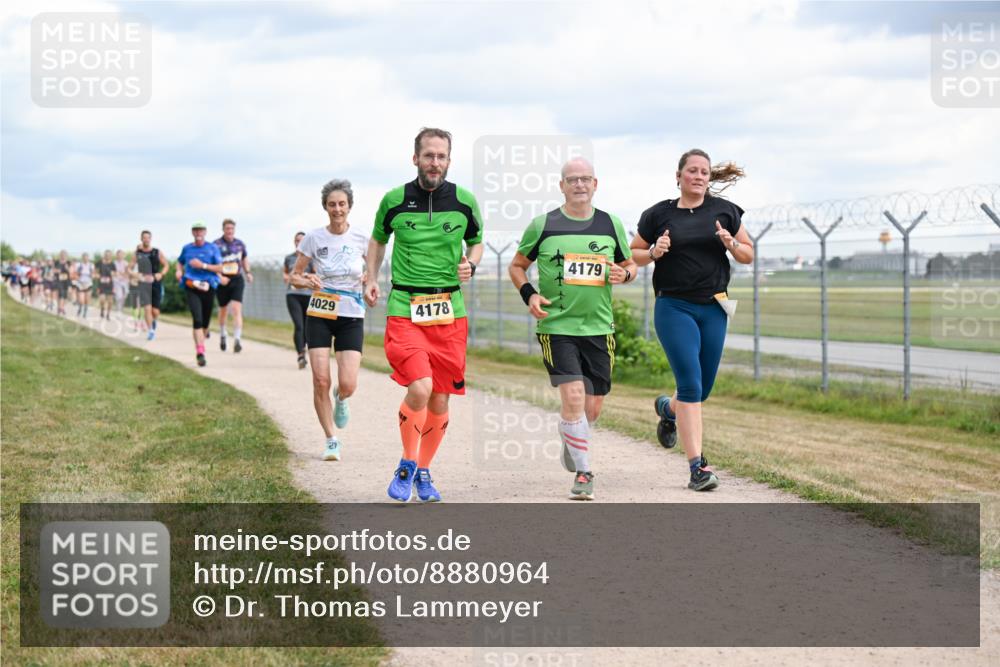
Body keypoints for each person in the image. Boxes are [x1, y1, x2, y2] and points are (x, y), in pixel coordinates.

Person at [365, 127, 484, 503]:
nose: (435, 163)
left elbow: (477, 241)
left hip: (450, 311)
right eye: (429, 155)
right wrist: (370, 277)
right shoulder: (394, 200)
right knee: (420, 387)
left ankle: (424, 471)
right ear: (415, 157)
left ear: (450, 160)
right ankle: (407, 463)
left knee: (441, 398)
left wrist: (472, 264)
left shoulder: (465, 201)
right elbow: (378, 240)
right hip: (406, 307)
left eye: (442, 156)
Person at [508, 158, 637, 501]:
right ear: (561, 186)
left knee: (591, 408)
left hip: (598, 326)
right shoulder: (543, 225)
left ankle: (573, 433)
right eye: (572, 180)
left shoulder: (611, 224)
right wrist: (530, 294)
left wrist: (625, 274)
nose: (579, 184)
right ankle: (584, 472)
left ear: (596, 184)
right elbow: (518, 266)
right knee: (574, 397)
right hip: (557, 326)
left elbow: (630, 264)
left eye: (585, 179)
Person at [629, 148, 751, 491]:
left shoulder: (725, 212)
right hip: (674, 307)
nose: (698, 176)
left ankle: (668, 410)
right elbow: (632, 254)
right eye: (693, 171)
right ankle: (698, 468)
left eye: (704, 172)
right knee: (691, 386)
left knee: (702, 390)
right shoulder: (659, 214)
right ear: (679, 175)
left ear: (709, 179)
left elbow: (748, 254)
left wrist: (730, 243)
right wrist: (654, 252)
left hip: (713, 306)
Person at [292, 181, 369, 461]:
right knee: (320, 379)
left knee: (348, 383)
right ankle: (331, 439)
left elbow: (372, 273)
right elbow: (294, 276)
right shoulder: (313, 238)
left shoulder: (362, 237)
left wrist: (369, 280)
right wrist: (306, 279)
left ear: (349, 206)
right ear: (325, 207)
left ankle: (342, 397)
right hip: (321, 313)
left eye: (342, 204)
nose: (337, 209)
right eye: (332, 204)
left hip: (351, 315)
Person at [175, 222, 225, 367]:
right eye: (196, 230)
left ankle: (204, 334)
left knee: (205, 322)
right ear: (192, 232)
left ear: (205, 232)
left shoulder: (212, 248)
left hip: (208, 286)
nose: (198, 233)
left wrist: (202, 265)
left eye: (201, 230)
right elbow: (179, 262)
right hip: (191, 286)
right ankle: (200, 352)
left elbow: (220, 267)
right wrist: (179, 271)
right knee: (197, 319)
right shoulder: (187, 248)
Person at [214, 218, 253, 353]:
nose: (229, 231)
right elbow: (213, 264)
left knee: (236, 309)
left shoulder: (240, 244)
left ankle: (237, 339)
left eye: (231, 229)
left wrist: (248, 272)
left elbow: (244, 259)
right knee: (223, 310)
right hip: (222, 280)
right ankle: (223, 333)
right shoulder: (216, 245)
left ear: (234, 230)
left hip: (237, 279)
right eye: (227, 229)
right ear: (223, 229)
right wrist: (219, 277)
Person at [283, 231, 316, 370]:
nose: (299, 243)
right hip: (293, 295)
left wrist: (305, 276)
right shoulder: (289, 258)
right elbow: (285, 272)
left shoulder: (310, 258)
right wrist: (286, 277)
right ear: (294, 242)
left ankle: (306, 351)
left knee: (308, 327)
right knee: (299, 325)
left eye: (302, 240)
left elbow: (316, 273)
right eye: (297, 240)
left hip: (308, 295)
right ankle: (300, 354)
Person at [132, 231, 169, 340]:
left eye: (148, 238)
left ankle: (154, 321)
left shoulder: (157, 252)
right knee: (147, 309)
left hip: (155, 282)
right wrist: (135, 274)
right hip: (143, 283)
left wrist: (161, 274)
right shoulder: (137, 253)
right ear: (141, 239)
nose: (146, 239)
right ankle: (151, 331)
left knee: (155, 311)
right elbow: (129, 268)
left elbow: (166, 265)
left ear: (151, 239)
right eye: (144, 238)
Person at [95, 250, 115, 320]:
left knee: (110, 301)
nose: (107, 256)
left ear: (111, 256)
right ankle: (102, 309)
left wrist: (113, 274)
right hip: (101, 285)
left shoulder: (112, 264)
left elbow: (115, 273)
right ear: (104, 255)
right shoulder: (100, 262)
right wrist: (97, 275)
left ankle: (108, 314)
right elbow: (95, 271)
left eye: (109, 255)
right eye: (106, 254)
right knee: (102, 300)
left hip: (110, 285)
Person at [53, 251, 71, 316]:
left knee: (65, 295)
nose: (63, 256)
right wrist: (58, 271)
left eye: (64, 255)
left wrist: (67, 268)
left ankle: (62, 307)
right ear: (60, 255)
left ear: (66, 256)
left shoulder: (68, 262)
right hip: (59, 280)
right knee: (60, 294)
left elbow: (71, 271)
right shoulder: (57, 262)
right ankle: (59, 308)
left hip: (66, 281)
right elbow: (54, 270)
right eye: (62, 255)